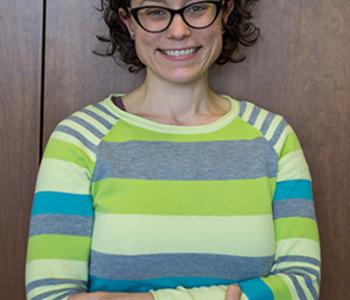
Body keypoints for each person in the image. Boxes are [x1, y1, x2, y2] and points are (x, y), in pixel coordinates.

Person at [25, 0, 321, 299]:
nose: (178, 31)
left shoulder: (274, 137)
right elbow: (49, 295)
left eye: (196, 8)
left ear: (225, 13)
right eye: (155, 11)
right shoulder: (79, 139)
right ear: (129, 22)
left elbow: (303, 284)